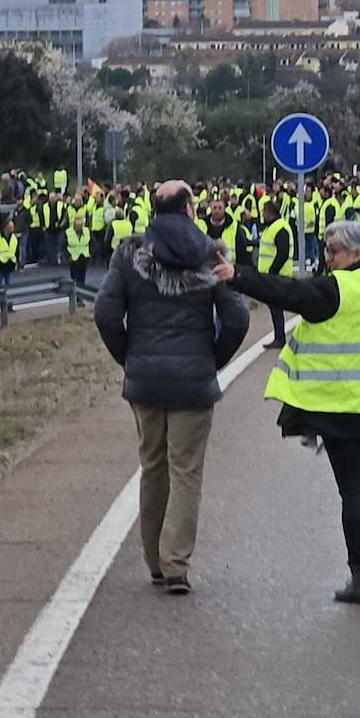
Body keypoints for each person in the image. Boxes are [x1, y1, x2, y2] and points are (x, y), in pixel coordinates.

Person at [217, 220, 360, 604]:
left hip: (345, 409)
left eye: (333, 251)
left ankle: (359, 578)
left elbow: (287, 291)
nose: (327, 258)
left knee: (355, 491)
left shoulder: (335, 288)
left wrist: (237, 276)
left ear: (357, 254)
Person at [94, 180, 248, 596]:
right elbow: (237, 319)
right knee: (186, 472)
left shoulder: (130, 253)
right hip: (193, 381)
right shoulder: (211, 253)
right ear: (189, 209)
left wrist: (127, 356)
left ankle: (154, 563)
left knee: (153, 467)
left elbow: (106, 311)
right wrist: (212, 359)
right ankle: (176, 563)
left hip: (144, 378)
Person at [256, 201, 293, 348]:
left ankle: (280, 337)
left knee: (276, 307)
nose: (262, 214)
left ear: (270, 212)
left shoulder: (280, 228)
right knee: (275, 307)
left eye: (264, 211)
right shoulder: (271, 227)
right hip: (271, 275)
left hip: (277, 275)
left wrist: (272, 272)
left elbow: (282, 253)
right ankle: (279, 336)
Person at [66, 213, 92, 288]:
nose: (79, 227)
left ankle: (80, 295)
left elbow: (92, 243)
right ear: (74, 225)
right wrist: (68, 256)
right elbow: (62, 246)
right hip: (73, 258)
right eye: (77, 225)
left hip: (84, 256)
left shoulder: (87, 231)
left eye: (80, 225)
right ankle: (76, 295)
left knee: (82, 277)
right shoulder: (68, 232)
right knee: (74, 278)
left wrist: (90, 252)